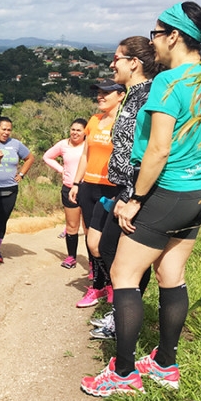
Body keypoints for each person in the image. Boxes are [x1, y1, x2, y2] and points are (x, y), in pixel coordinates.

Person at [81, 1, 201, 396]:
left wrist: (136, 200)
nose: (154, 42)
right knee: (171, 275)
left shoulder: (169, 81)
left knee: (124, 275)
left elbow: (158, 150)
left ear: (174, 36)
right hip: (200, 189)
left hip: (167, 190)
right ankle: (165, 364)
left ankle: (124, 374)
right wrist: (195, 169)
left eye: (156, 34)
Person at [89, 36, 162, 340]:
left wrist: (133, 196)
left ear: (134, 63)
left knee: (116, 253)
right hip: (124, 188)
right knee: (107, 249)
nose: (111, 63)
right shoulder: (133, 95)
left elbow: (148, 150)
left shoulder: (147, 96)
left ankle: (125, 320)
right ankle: (123, 314)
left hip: (137, 190)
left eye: (117, 58)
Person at [68, 80, 125, 307]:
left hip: (112, 188)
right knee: (92, 242)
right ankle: (98, 286)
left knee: (108, 242)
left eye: (106, 93)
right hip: (89, 186)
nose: (101, 97)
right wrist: (76, 183)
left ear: (120, 95)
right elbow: (85, 155)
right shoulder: (93, 121)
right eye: (99, 93)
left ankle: (113, 283)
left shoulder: (126, 123)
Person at [43, 118, 87, 269]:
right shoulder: (63, 144)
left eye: (78, 130)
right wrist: (62, 170)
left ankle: (93, 265)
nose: (75, 133)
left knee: (88, 228)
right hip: (69, 189)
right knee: (72, 226)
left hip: (87, 188)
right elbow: (47, 157)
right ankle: (71, 257)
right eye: (73, 129)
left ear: (85, 132)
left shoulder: (89, 145)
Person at [0, 117, 34, 263]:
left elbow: (29, 158)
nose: (6, 132)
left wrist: (21, 174)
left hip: (9, 189)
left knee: (1, 220)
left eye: (9, 129)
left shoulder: (16, 144)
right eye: (3, 129)